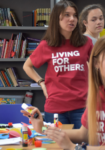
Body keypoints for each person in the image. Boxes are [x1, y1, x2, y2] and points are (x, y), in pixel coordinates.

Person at [21, 36, 105, 149]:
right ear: (96, 63)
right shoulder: (98, 95)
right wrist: (42, 129)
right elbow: (83, 134)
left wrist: (73, 147)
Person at [23, 0, 93, 129]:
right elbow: (27, 66)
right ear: (57, 18)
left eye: (75, 15)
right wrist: (41, 83)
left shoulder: (86, 42)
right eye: (67, 15)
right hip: (56, 107)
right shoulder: (47, 44)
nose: (72, 19)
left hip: (82, 106)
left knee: (83, 146)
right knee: (57, 146)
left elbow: (97, 68)